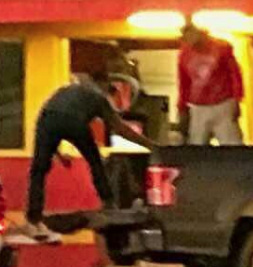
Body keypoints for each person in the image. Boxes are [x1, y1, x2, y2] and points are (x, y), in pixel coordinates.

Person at [20, 75, 155, 243]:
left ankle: (33, 219)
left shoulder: (72, 91)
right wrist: (150, 145)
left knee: (38, 171)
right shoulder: (99, 99)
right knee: (95, 162)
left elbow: (57, 121)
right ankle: (109, 203)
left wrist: (59, 154)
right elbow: (120, 128)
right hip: (71, 121)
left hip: (46, 118)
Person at [178, 24, 244, 146]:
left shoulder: (222, 48)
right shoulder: (184, 55)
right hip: (198, 106)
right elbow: (184, 83)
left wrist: (236, 98)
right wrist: (182, 106)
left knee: (231, 143)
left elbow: (234, 74)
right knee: (197, 143)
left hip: (223, 103)